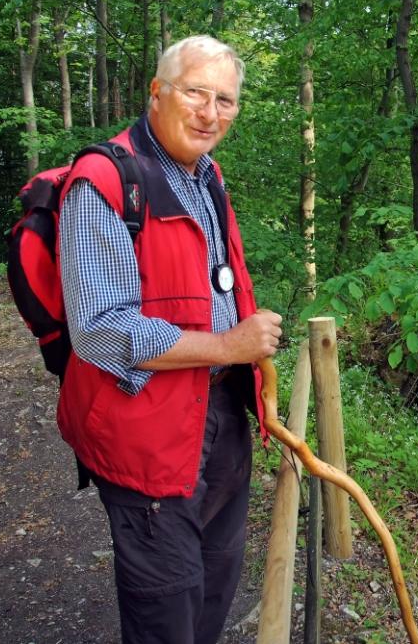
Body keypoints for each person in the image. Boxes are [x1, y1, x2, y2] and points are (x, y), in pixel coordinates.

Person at [56, 35, 282, 644]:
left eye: (226, 100)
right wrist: (228, 347)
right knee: (167, 613)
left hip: (221, 419)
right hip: (146, 435)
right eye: (196, 93)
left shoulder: (207, 175)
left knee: (213, 586)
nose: (211, 113)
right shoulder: (105, 181)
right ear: (156, 93)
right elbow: (101, 330)